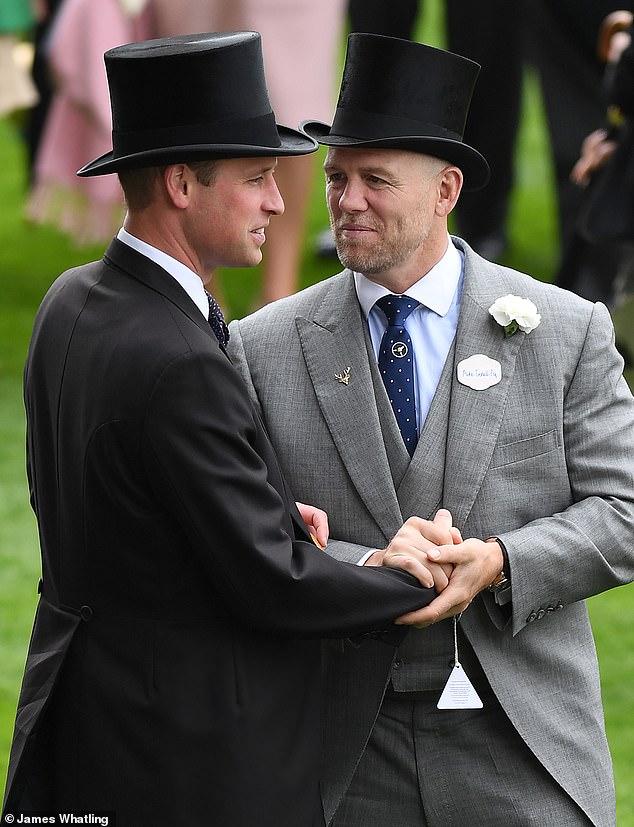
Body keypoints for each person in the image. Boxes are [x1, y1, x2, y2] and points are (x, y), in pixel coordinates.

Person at [1, 32, 451, 827]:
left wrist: (274, 511)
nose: (280, 204)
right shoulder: (176, 356)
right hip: (188, 760)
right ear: (181, 182)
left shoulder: (73, 302)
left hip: (88, 717)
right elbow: (270, 581)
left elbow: (130, 500)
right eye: (256, 180)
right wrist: (406, 578)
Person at [228, 33, 634, 827]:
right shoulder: (261, 346)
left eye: (376, 180)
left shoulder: (564, 328)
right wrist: (364, 561)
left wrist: (504, 560)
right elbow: (244, 533)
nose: (346, 201)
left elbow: (624, 509)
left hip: (523, 745)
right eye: (337, 177)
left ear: (447, 189)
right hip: (337, 754)